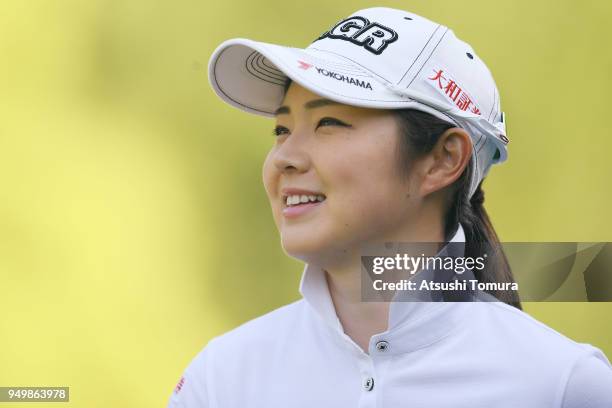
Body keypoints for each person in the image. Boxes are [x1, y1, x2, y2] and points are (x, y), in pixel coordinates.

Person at [167, 7, 612, 407]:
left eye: (329, 123)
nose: (285, 157)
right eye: (281, 130)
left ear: (443, 159)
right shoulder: (221, 380)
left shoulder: (564, 385)